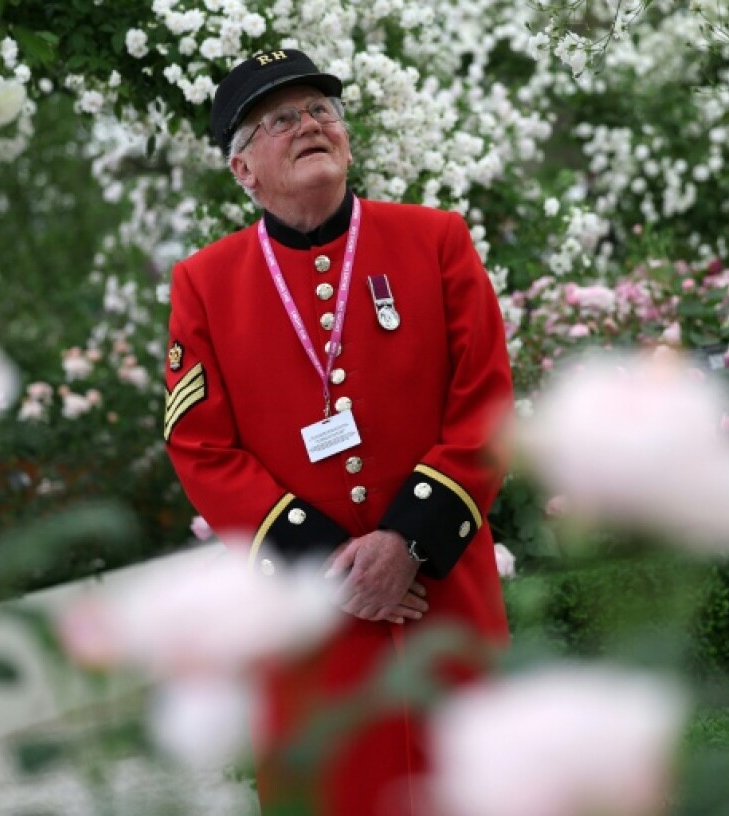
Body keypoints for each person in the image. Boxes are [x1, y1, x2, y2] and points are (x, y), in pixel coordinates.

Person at [163, 48, 513, 816]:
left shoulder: (436, 240)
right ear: (242, 170)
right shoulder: (205, 284)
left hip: (442, 596)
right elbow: (200, 447)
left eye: (321, 110)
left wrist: (405, 543)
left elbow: (486, 401)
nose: (309, 125)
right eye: (280, 119)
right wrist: (330, 567)